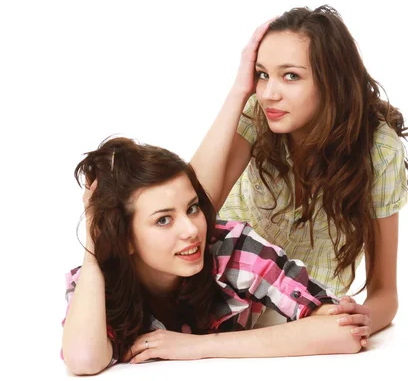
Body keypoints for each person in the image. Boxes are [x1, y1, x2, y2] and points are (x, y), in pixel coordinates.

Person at [190, 5, 408, 335]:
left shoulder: (379, 151)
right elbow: (192, 204)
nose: (270, 93)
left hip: (303, 307)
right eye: (262, 74)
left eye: (291, 76)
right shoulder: (258, 111)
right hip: (230, 273)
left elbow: (385, 294)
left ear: (332, 81)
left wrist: (360, 318)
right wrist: (238, 91)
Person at [61, 137, 368, 376]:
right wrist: (93, 251)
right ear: (124, 237)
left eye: (192, 208)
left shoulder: (232, 248)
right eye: (163, 220)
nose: (191, 230)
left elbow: (343, 332)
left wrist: (196, 347)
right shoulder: (96, 283)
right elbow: (83, 360)